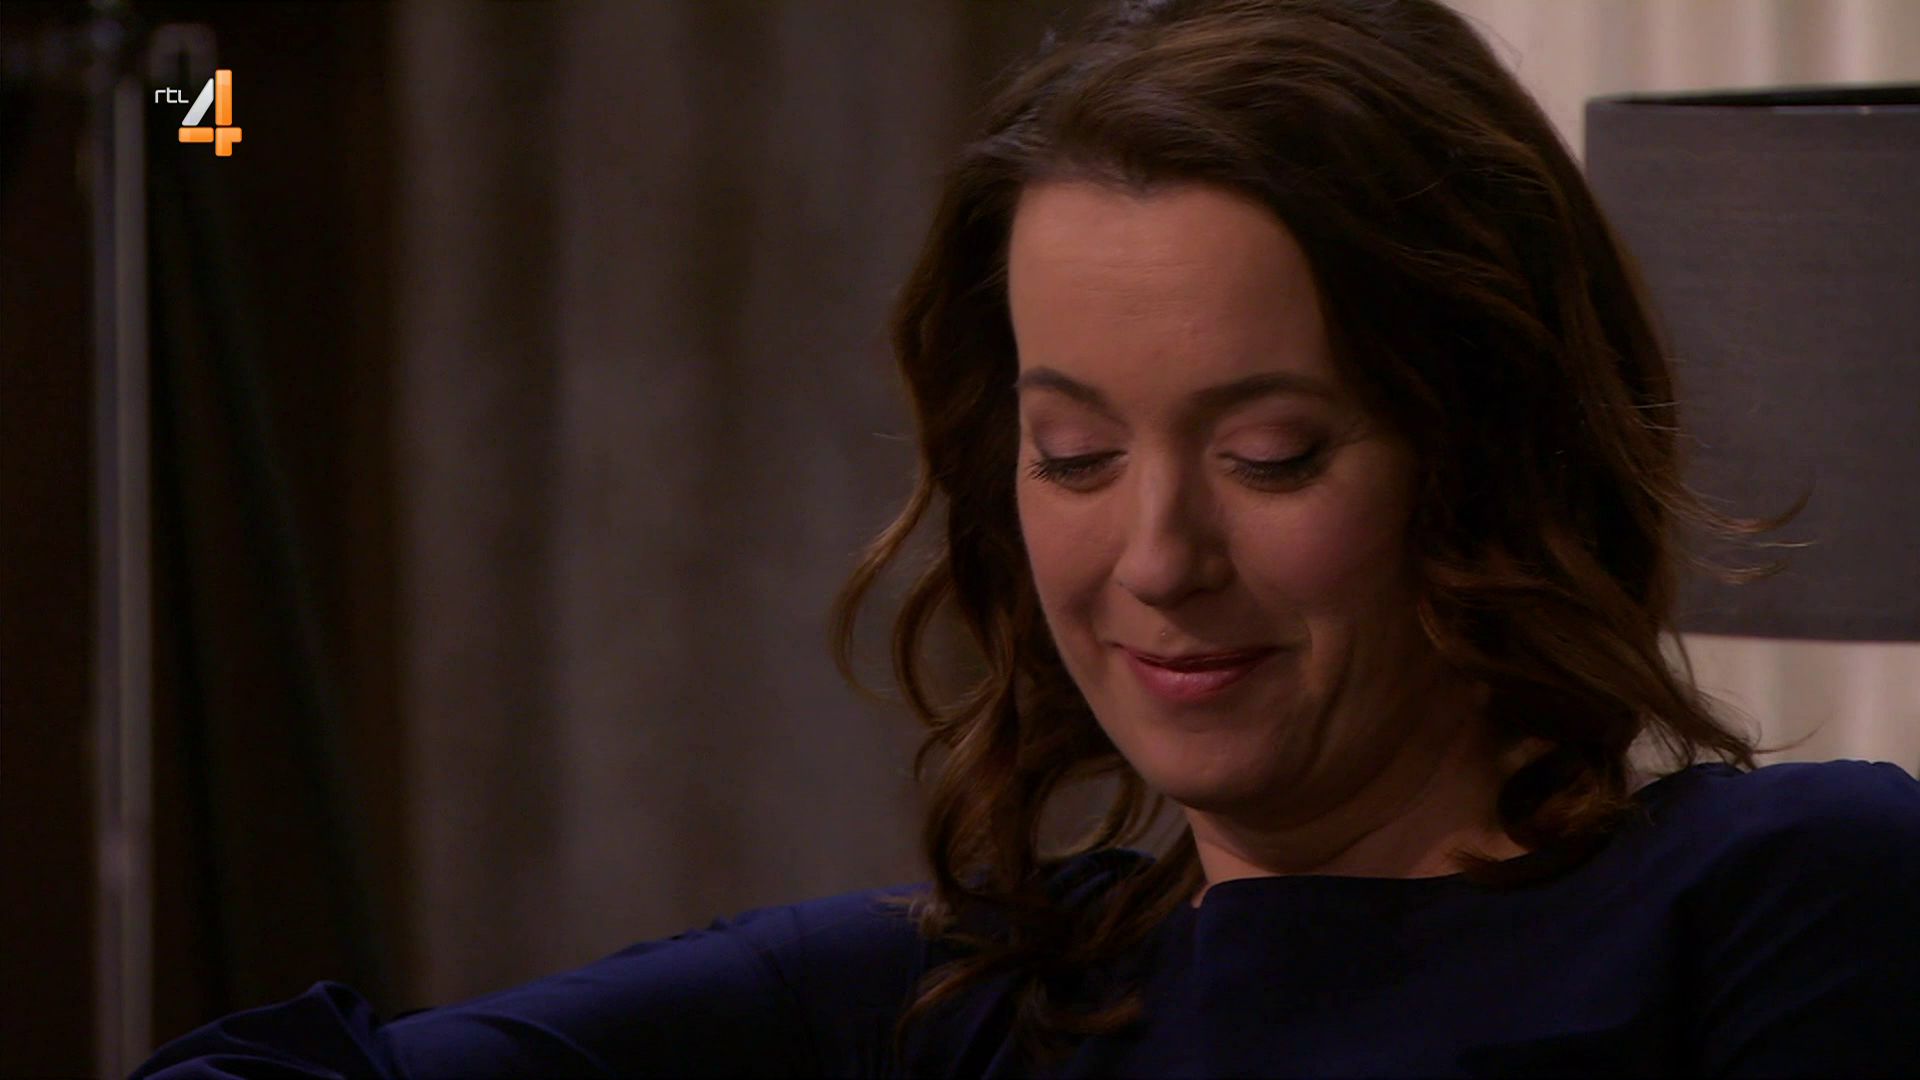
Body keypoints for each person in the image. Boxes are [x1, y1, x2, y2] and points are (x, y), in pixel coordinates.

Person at [132, 0, 1920, 1077]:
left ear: (1488, 447)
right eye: (1074, 453)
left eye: (1272, 455)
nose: (1156, 557)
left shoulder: (1785, 897)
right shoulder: (953, 1003)